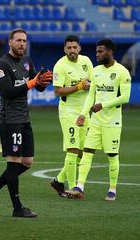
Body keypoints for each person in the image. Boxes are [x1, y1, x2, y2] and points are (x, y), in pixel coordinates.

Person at [0, 28, 53, 218]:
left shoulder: (27, 61)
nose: (22, 44)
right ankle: (17, 208)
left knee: (27, 162)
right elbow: (8, 92)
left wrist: (43, 82)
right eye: (18, 40)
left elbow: (38, 85)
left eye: (24, 41)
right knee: (14, 163)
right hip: (10, 119)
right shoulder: (2, 65)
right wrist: (31, 83)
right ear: (10, 42)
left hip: (24, 118)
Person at [66, 39, 131, 201]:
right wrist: (83, 113)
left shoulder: (122, 72)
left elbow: (125, 98)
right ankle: (79, 186)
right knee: (87, 152)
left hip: (112, 122)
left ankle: (112, 189)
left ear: (109, 52)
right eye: (96, 51)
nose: (97, 54)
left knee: (112, 155)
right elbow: (91, 96)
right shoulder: (95, 71)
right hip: (95, 121)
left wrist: (103, 105)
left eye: (100, 51)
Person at [50, 35, 93, 197]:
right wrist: (79, 86)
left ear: (79, 48)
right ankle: (74, 188)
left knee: (83, 152)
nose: (72, 50)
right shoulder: (60, 65)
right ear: (64, 49)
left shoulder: (86, 61)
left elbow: (92, 83)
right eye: (69, 48)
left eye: (75, 47)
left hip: (84, 112)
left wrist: (89, 86)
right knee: (73, 149)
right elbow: (57, 91)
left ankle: (58, 180)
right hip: (68, 112)